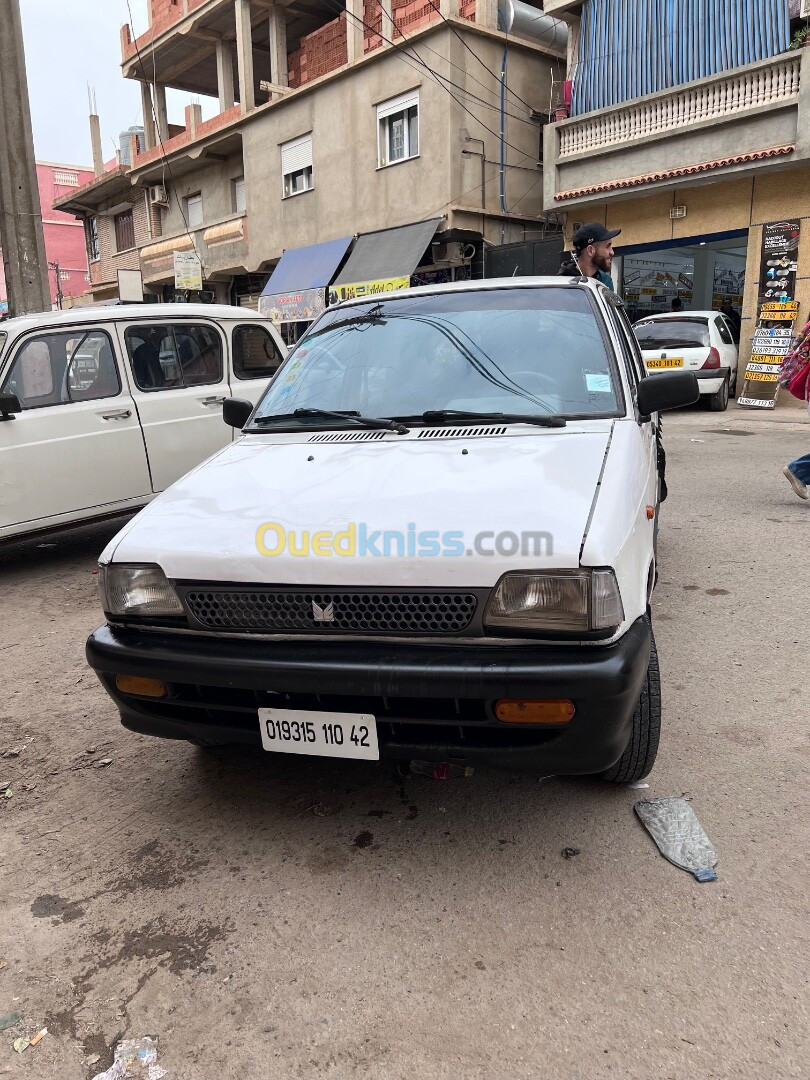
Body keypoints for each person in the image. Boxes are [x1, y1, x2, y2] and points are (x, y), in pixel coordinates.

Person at [557, 223, 620, 289]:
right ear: (590, 250)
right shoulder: (562, 283)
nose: (612, 252)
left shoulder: (605, 281)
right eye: (607, 246)